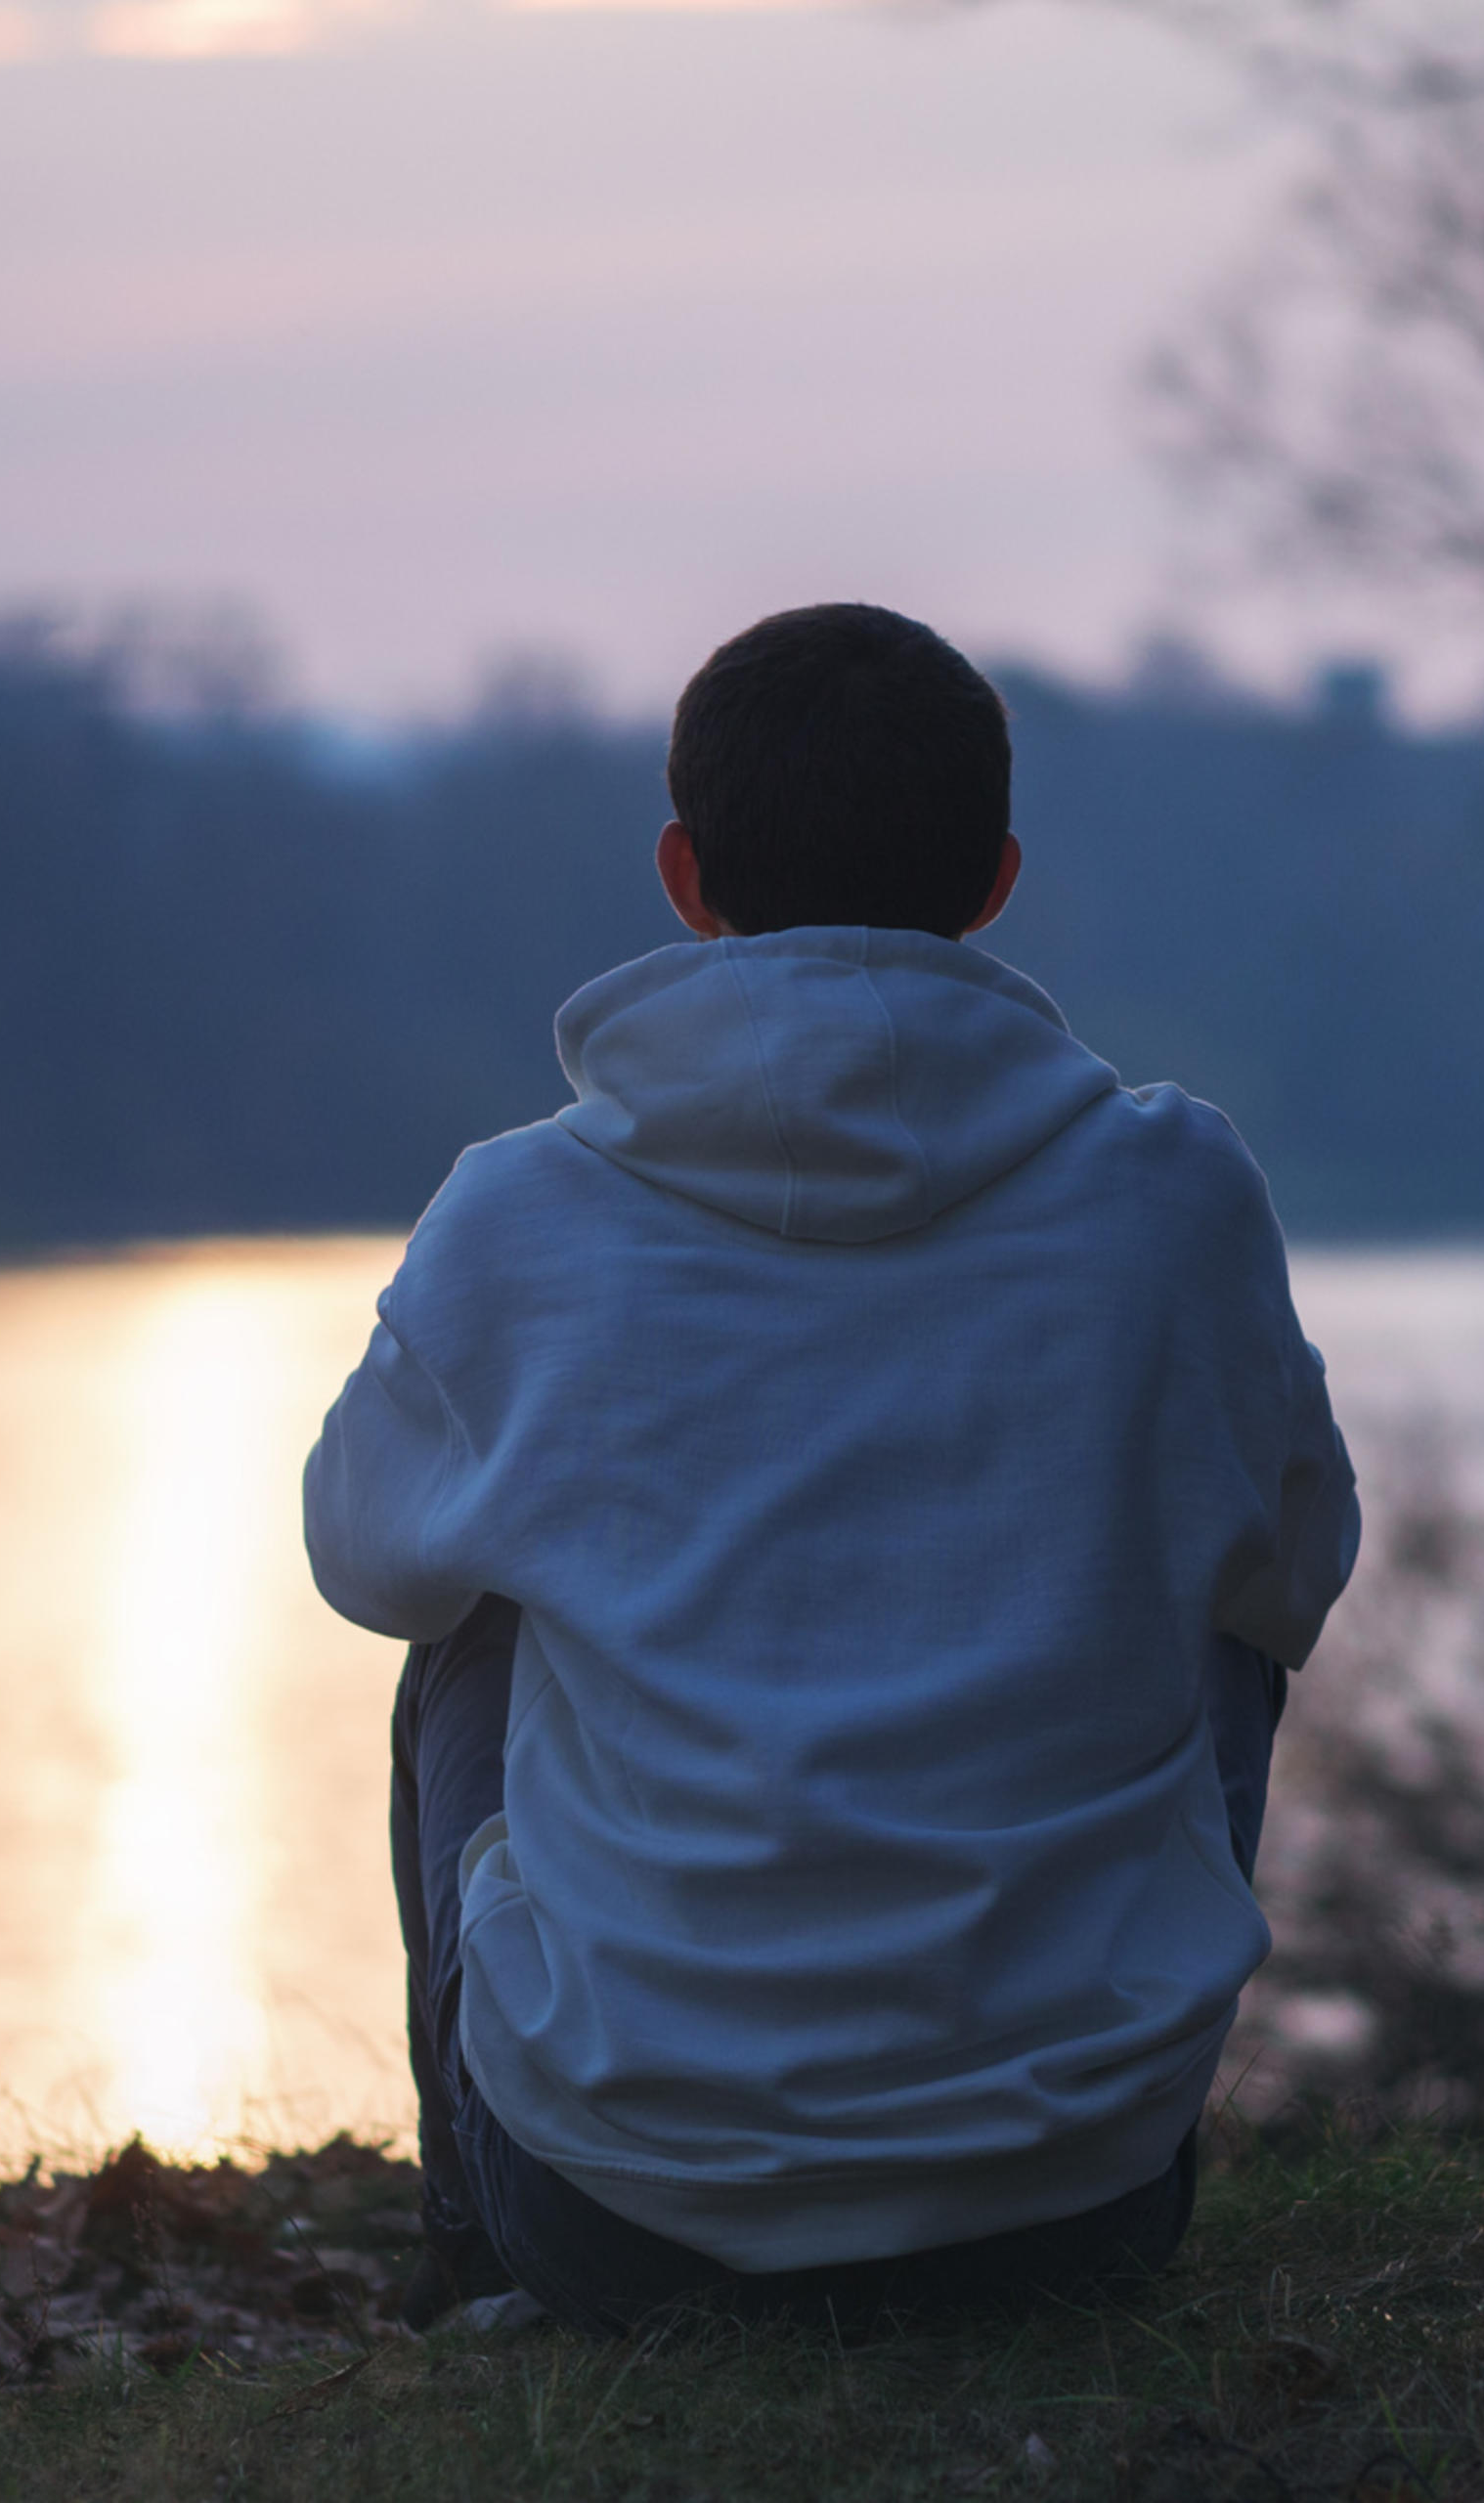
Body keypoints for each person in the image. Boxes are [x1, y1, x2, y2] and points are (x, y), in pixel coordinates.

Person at [302, 602, 1361, 2335]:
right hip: (1078, 2207)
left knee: (465, 1620)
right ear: (997, 878)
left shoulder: (523, 1216)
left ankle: (473, 2246)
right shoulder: (1173, 1199)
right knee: (1234, 1578)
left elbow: (361, 1561)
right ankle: (1065, 2071)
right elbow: (1297, 1573)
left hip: (614, 2215)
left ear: (682, 871)